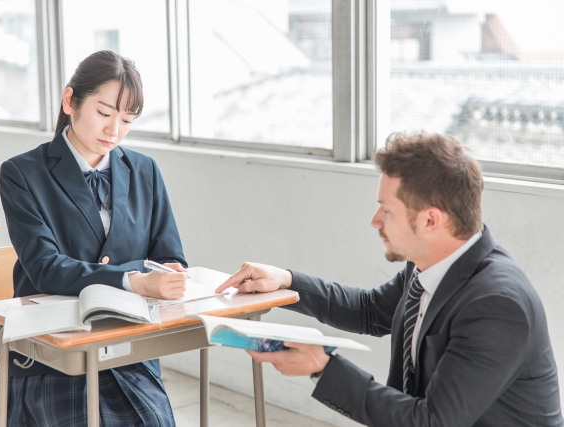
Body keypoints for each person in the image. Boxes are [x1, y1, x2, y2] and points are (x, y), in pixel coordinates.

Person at [216, 132, 563, 427]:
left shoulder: (497, 305)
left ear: (430, 220)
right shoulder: (430, 265)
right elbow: (369, 310)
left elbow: (433, 422)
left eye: (386, 210)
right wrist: (287, 281)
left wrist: (323, 368)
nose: (375, 221)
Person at [0, 50, 187, 427]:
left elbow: (169, 254)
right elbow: (45, 268)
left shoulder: (144, 170)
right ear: (70, 101)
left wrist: (171, 274)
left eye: (127, 120)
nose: (114, 131)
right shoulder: (22, 173)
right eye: (105, 114)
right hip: (48, 355)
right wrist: (135, 279)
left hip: (128, 354)